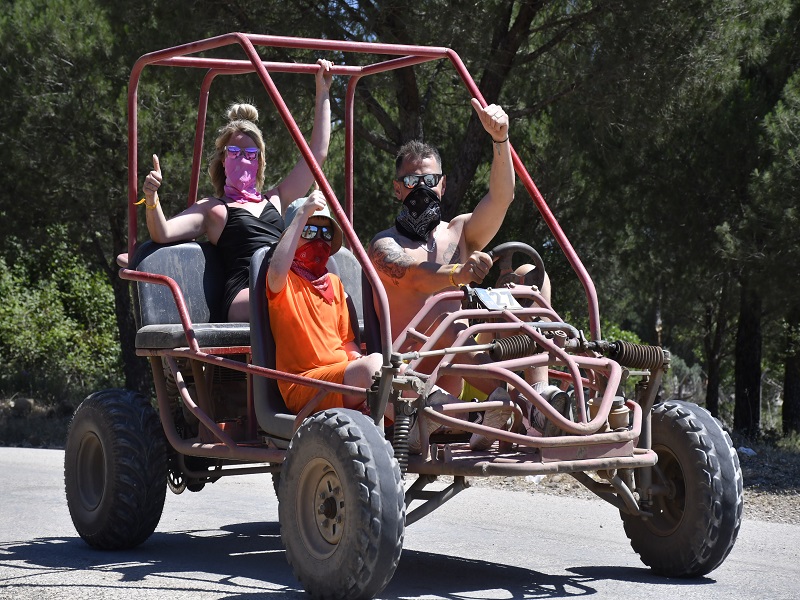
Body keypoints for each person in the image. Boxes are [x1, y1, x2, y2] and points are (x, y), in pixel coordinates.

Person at [368, 99, 559, 449]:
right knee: (440, 311)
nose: (421, 187)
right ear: (397, 188)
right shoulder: (384, 244)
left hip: (460, 365)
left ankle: (538, 397)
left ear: (442, 185)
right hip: (408, 380)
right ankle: (500, 406)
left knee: (534, 276)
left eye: (430, 179)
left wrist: (500, 140)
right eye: (411, 180)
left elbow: (501, 199)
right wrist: (458, 272)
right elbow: (414, 276)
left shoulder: (459, 232)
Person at [140, 59, 334, 322]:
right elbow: (162, 233)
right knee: (289, 301)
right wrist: (152, 198)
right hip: (246, 293)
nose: (242, 159)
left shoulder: (276, 199)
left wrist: (323, 92)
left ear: (259, 162)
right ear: (223, 159)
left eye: (250, 154)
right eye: (234, 152)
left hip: (284, 285)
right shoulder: (214, 209)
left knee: (331, 293)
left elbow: (317, 154)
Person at [266, 191, 384, 415]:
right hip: (305, 384)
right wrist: (302, 214)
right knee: (376, 369)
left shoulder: (334, 283)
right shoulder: (284, 281)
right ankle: (412, 427)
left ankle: (446, 419)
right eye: (309, 231)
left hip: (340, 378)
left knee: (397, 371)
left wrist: (359, 360)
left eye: (325, 233)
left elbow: (346, 342)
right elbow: (276, 270)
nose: (318, 240)